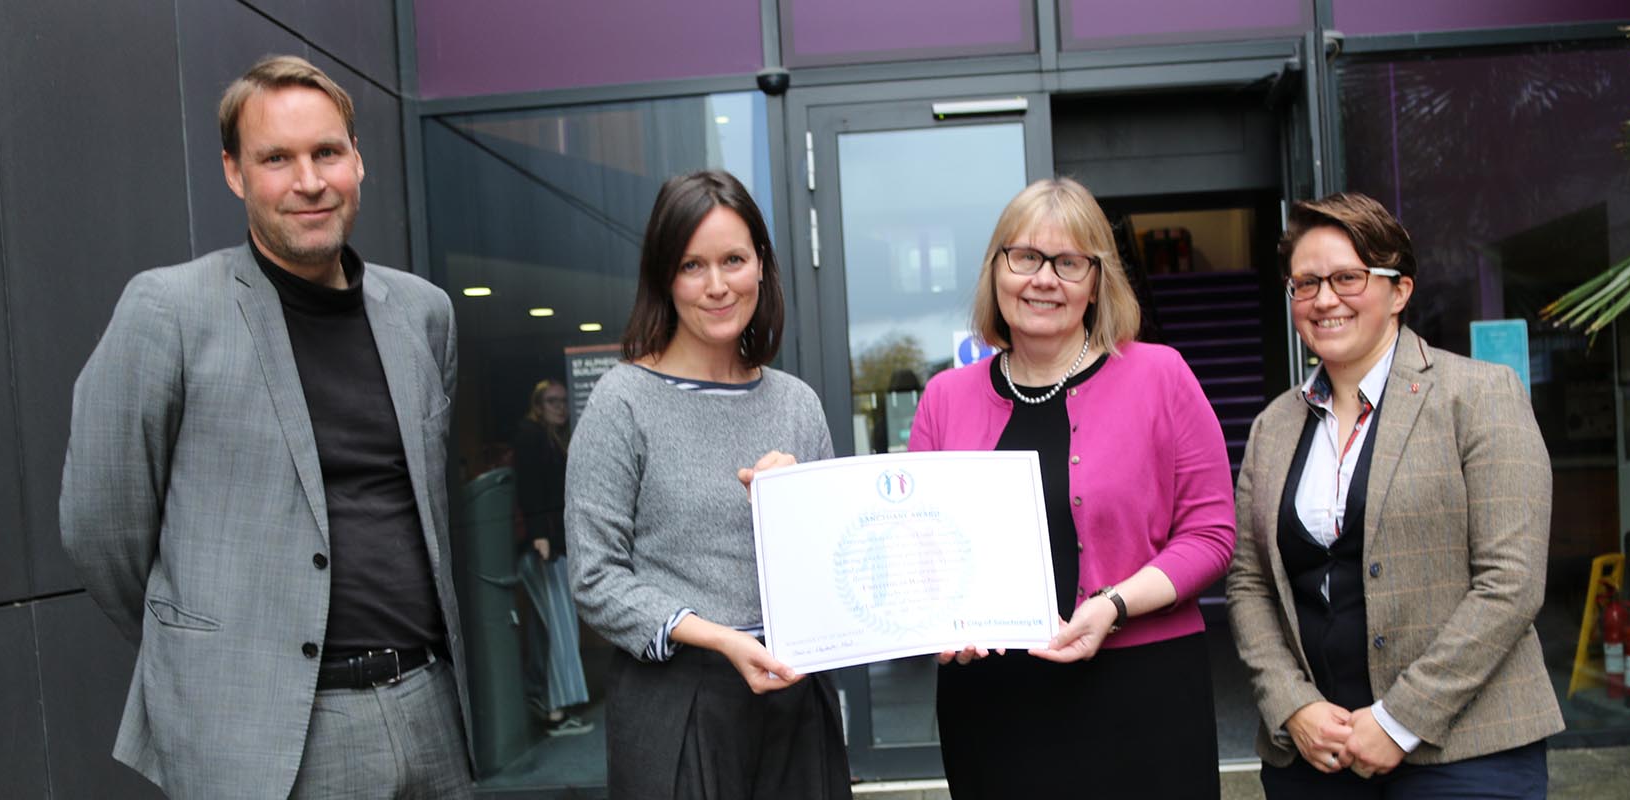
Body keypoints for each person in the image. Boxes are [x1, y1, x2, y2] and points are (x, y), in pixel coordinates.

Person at [59, 55, 471, 797]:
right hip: (270, 735)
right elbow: (100, 527)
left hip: (429, 706)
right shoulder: (170, 312)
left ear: (357, 160)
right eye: (276, 158)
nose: (308, 180)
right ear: (234, 172)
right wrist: (210, 648)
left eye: (326, 152)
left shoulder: (423, 313)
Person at [907, 177, 1236, 798]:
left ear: (1097, 281)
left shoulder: (1161, 376)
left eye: (1068, 263)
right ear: (997, 269)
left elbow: (1212, 535)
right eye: (1025, 257)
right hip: (996, 702)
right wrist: (938, 625)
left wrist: (1111, 607)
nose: (1043, 279)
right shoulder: (944, 398)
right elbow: (924, 549)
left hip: (1141, 692)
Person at [1226, 192, 1561, 799]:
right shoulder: (1272, 426)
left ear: (1399, 290)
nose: (1324, 299)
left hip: (1466, 751)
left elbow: (1511, 582)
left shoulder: (1480, 395)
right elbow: (1249, 584)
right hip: (1315, 757)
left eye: (1347, 278)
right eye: (1305, 284)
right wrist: (1291, 703)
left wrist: (1399, 718)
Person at [565, 169, 850, 799]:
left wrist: (804, 506)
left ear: (761, 267)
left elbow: (838, 567)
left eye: (733, 260)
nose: (717, 285)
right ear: (665, 277)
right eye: (693, 265)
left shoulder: (797, 403)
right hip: (677, 699)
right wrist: (719, 638)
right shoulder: (622, 402)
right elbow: (593, 577)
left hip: (794, 691)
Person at [512, 378, 591, 735]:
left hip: (551, 544)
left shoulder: (550, 436)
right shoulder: (532, 435)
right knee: (560, 627)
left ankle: (539, 696)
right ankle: (557, 710)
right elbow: (530, 485)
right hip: (544, 547)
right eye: (552, 401)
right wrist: (540, 536)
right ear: (538, 404)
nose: (560, 406)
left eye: (563, 400)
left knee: (547, 629)